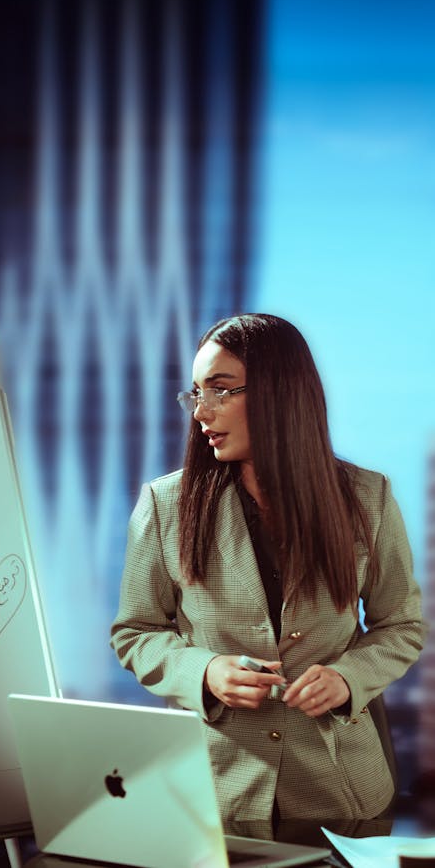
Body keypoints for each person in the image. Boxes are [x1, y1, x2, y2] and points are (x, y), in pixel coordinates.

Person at [111, 313, 424, 824]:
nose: (201, 412)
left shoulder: (369, 498)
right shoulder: (165, 504)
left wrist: (349, 678)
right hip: (214, 792)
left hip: (343, 790)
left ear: (283, 392)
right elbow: (136, 632)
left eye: (221, 390)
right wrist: (205, 671)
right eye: (196, 393)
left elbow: (401, 626)